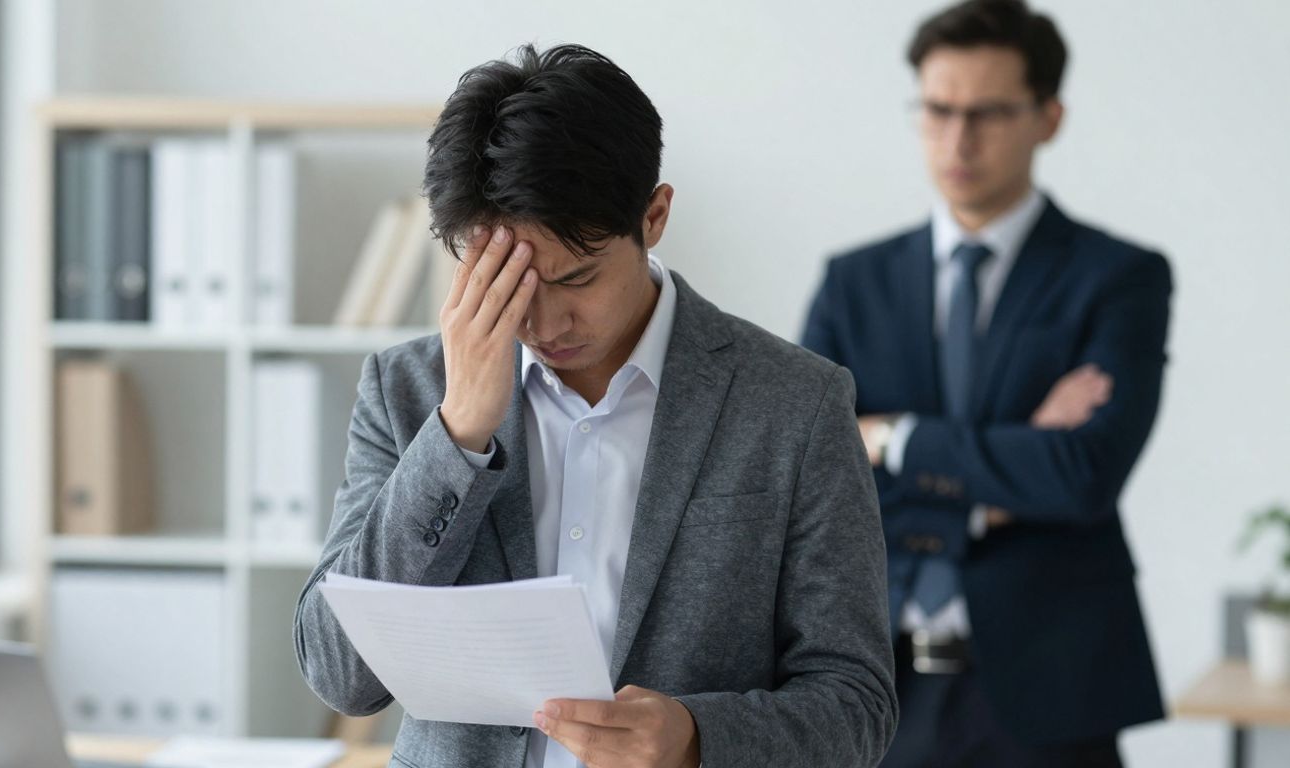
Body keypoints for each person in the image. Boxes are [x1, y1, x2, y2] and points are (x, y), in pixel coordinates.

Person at [295, 43, 896, 768]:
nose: (543, 325)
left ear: (656, 215)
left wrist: (696, 738)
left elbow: (857, 702)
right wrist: (457, 437)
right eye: (503, 280)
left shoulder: (795, 404)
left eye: (575, 279)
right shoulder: (407, 390)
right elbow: (341, 676)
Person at [801, 1, 1170, 765]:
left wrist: (892, 438)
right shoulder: (852, 284)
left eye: (989, 113)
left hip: (1053, 694)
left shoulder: (1118, 278)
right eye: (937, 110)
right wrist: (1009, 472)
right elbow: (813, 489)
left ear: (1049, 117)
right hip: (877, 688)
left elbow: (1082, 476)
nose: (958, 140)